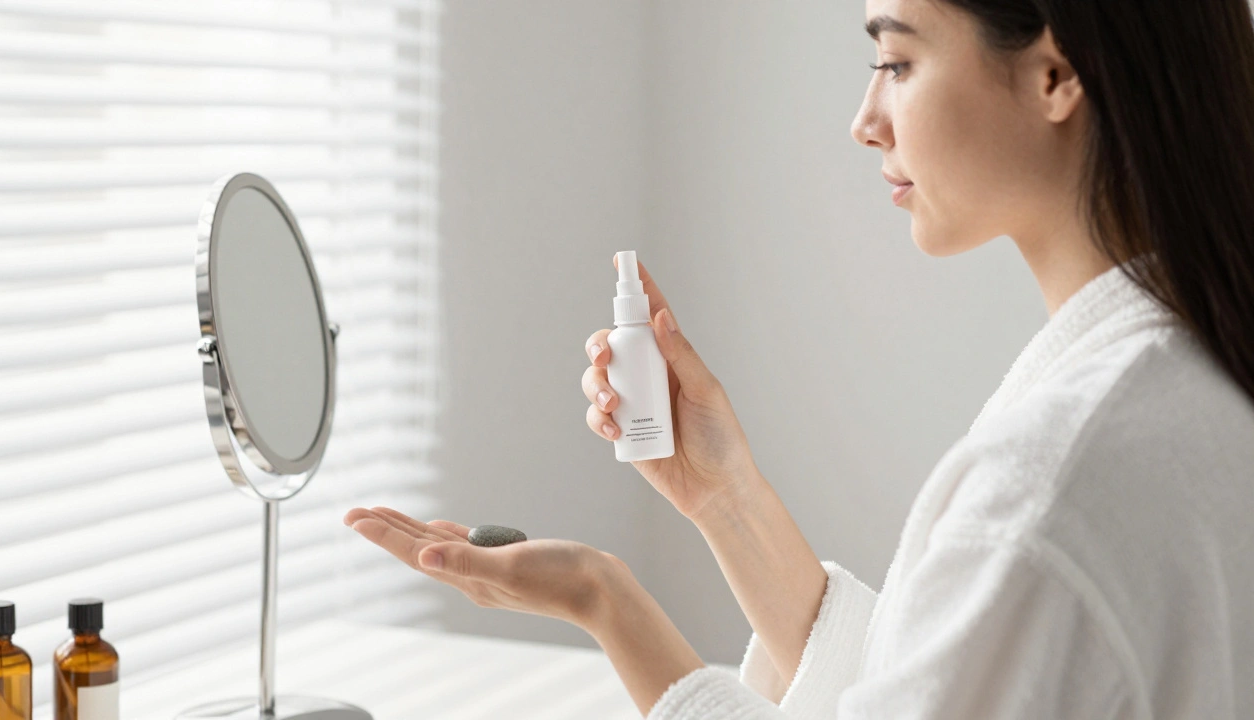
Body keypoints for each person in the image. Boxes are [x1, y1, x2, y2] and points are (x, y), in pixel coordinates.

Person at [344, 0, 1254, 716]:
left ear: (1056, 72)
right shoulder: (1187, 373)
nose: (866, 120)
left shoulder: (1051, 487)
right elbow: (929, 683)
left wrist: (605, 602)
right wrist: (725, 499)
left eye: (897, 61)